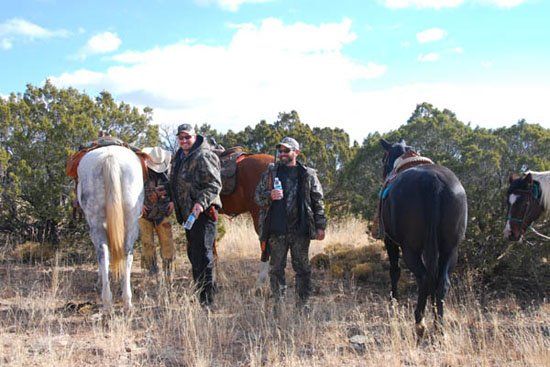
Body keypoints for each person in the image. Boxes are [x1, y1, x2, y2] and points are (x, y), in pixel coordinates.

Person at [255, 137, 326, 311]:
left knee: (302, 269)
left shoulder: (307, 174)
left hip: (300, 230)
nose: (282, 154)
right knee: (276, 269)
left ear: (296, 152)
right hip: (276, 230)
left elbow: (318, 201)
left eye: (286, 151)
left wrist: (320, 225)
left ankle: (303, 305)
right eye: (280, 151)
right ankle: (278, 305)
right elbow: (257, 197)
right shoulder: (271, 173)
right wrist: (269, 195)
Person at [170, 123, 222, 306]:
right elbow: (175, 182)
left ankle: (207, 301)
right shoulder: (179, 157)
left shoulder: (204, 155)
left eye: (187, 137)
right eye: (181, 138)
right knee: (193, 254)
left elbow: (215, 185)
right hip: (187, 215)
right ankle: (201, 292)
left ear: (194, 137)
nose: (184, 141)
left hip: (204, 214)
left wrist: (201, 203)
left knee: (204, 255)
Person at [139, 146, 175, 282]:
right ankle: (151, 271)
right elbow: (133, 189)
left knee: (167, 241)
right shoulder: (140, 171)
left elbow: (175, 187)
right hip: (145, 212)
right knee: (147, 242)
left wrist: (173, 202)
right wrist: (139, 205)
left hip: (164, 210)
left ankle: (168, 272)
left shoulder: (170, 170)